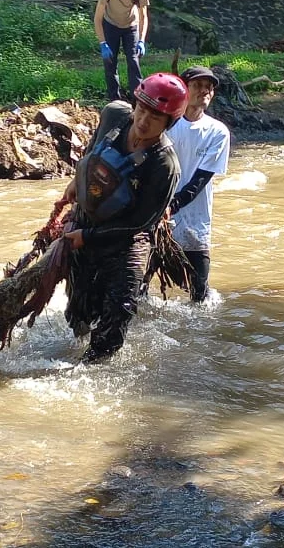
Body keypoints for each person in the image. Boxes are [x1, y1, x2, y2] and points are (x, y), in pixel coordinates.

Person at [62, 72, 186, 363]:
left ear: (169, 122)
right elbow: (92, 149)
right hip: (86, 221)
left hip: (125, 243)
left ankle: (89, 372)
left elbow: (140, 222)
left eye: (155, 118)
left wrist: (88, 238)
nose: (143, 121)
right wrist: (75, 181)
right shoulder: (115, 115)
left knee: (112, 327)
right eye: (141, 110)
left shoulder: (164, 164)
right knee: (77, 315)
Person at [166, 66, 231, 303]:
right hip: (156, 215)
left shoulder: (218, 132)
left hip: (196, 217)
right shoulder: (166, 124)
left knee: (200, 296)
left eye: (209, 87)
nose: (204, 91)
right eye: (198, 85)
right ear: (184, 89)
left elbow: (200, 180)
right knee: (139, 284)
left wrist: (172, 206)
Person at [93, 0, 150, 102]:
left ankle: (137, 99)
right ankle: (114, 98)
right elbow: (97, 19)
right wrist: (103, 43)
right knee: (110, 62)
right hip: (111, 24)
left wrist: (141, 40)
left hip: (131, 26)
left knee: (133, 60)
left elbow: (143, 17)